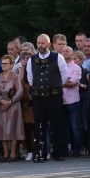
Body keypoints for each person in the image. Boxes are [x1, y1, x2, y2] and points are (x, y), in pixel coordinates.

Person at [26, 34, 69, 162]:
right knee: (39, 125)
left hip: (54, 96)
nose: (40, 45)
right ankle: (40, 153)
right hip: (38, 97)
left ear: (49, 44)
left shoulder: (58, 57)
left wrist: (54, 86)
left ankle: (58, 152)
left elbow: (64, 75)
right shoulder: (32, 59)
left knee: (57, 124)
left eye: (43, 43)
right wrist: (39, 89)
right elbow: (30, 78)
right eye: (38, 43)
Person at [0, 54, 24, 162]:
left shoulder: (16, 76)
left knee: (13, 129)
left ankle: (13, 153)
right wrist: (1, 101)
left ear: (11, 65)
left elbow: (20, 91)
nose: (3, 65)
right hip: (0, 105)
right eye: (2, 64)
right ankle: (5, 153)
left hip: (13, 105)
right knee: (1, 129)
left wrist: (11, 101)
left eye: (6, 64)